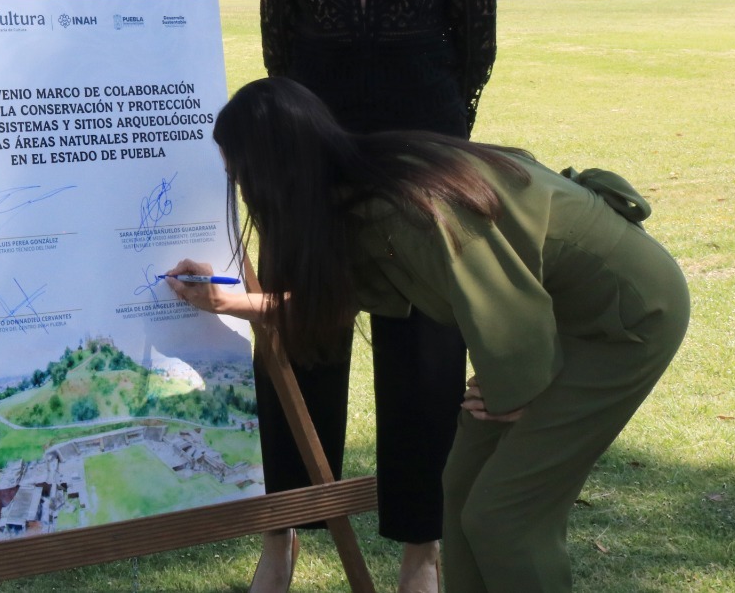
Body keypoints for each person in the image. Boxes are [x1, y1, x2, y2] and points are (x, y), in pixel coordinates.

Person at [167, 77, 689, 593]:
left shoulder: (409, 206)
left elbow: (502, 300)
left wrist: (520, 390)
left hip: (624, 320)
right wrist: (230, 300)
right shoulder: (360, 189)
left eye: (242, 174)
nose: (239, 187)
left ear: (276, 173)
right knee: (458, 493)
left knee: (505, 517)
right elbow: (338, 300)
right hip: (552, 324)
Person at [256, 0, 495, 592]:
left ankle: (420, 554)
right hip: (312, 171)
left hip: (426, 169)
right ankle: (281, 538)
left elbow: (474, 51)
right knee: (298, 343)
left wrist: (429, 152)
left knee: (424, 357)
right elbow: (279, 57)